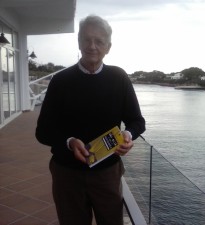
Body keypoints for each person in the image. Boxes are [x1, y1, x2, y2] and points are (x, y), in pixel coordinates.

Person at [35, 15, 146, 225]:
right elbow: (43, 131)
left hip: (107, 173)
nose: (92, 46)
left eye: (99, 41)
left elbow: (137, 121)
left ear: (108, 47)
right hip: (67, 173)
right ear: (79, 42)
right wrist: (69, 142)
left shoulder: (119, 78)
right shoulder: (60, 81)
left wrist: (128, 135)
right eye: (86, 39)